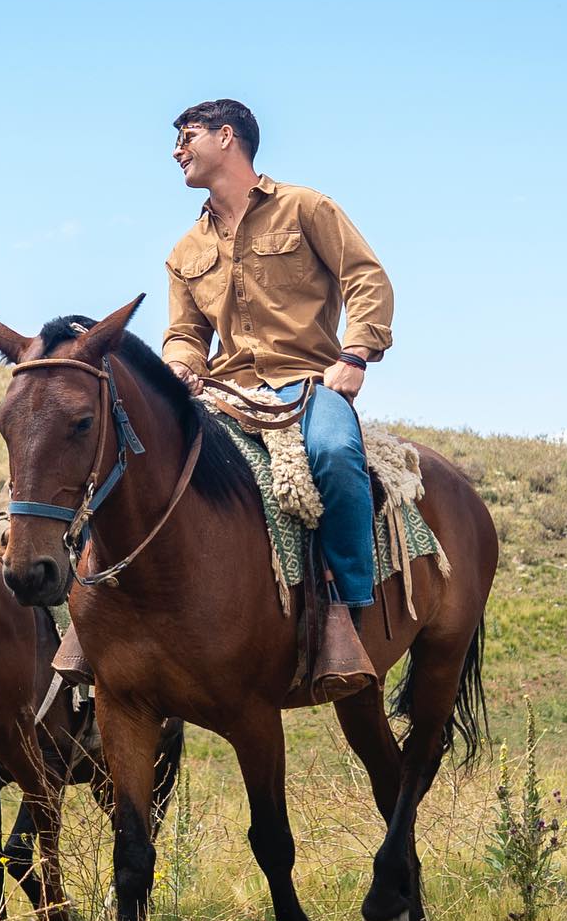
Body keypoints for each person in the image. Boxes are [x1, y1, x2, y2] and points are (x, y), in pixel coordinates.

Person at [164, 98, 395, 690]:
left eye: (187, 137)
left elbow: (366, 278)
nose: (177, 151)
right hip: (226, 388)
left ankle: (346, 613)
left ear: (226, 137)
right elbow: (185, 333)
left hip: (308, 379)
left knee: (336, 458)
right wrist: (182, 366)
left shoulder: (306, 207)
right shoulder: (185, 249)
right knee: (136, 456)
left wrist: (355, 355)